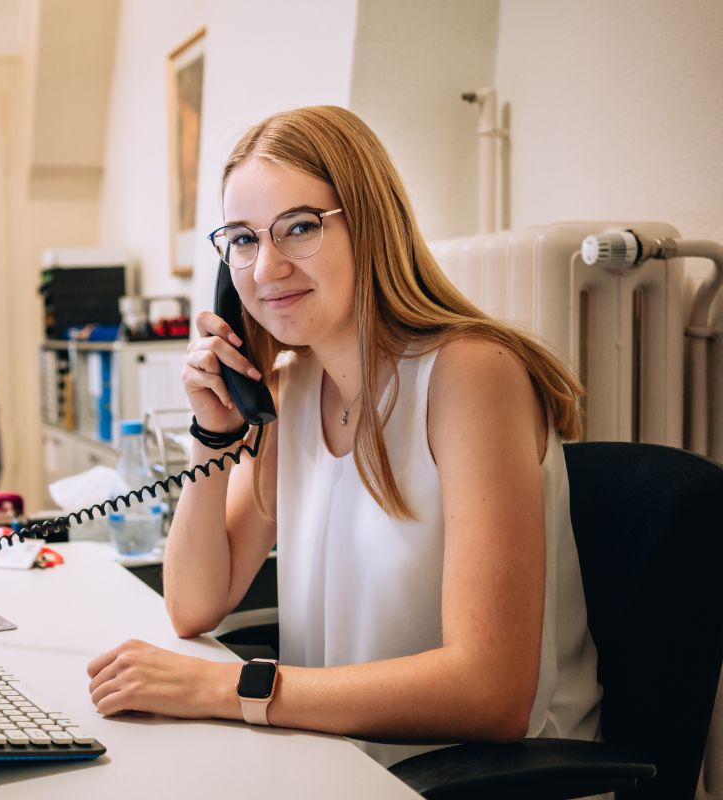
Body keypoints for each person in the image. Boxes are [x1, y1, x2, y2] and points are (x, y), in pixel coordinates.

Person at [86, 106, 602, 767]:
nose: (266, 269)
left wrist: (229, 688)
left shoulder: (471, 374)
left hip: (483, 778)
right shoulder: (293, 387)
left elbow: (491, 693)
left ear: (370, 224)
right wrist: (212, 437)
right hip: (338, 759)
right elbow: (194, 604)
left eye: (298, 228)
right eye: (243, 240)